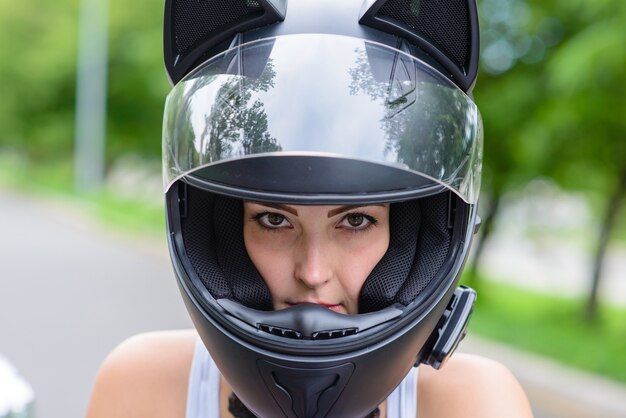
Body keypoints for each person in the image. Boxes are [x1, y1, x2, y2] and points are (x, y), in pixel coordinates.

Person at [86, 0, 534, 417]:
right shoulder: (142, 387)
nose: (313, 272)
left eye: (356, 221)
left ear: (417, 238)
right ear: (215, 235)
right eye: (274, 220)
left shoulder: (473, 404)